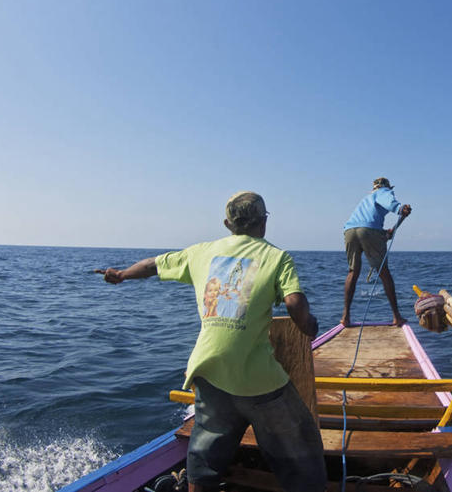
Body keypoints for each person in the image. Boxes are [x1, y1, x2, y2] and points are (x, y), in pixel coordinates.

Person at [97, 191, 327, 492]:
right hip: (258, 380)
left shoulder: (200, 252)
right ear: (264, 222)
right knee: (300, 438)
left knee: (204, 452)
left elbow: (153, 265)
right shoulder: (276, 257)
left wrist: (121, 274)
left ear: (227, 223)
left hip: (209, 370)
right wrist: (308, 326)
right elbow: (294, 302)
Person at [342, 177, 412, 327]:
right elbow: (389, 202)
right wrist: (400, 208)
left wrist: (384, 234)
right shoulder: (384, 191)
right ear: (386, 187)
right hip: (368, 230)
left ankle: (345, 317)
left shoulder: (366, 198)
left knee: (352, 272)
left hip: (349, 230)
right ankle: (397, 317)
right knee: (384, 273)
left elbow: (364, 224)